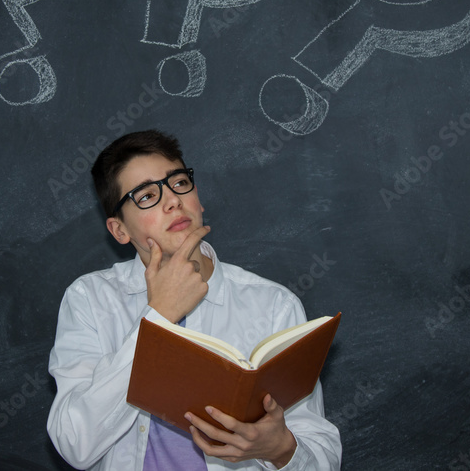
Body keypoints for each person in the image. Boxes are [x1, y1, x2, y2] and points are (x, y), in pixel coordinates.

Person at [47, 129, 341, 470]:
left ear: (197, 197)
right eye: (146, 196)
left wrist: (281, 450)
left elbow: (323, 458)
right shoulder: (90, 299)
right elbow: (75, 444)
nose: (172, 200)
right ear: (119, 230)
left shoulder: (274, 304)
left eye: (179, 183)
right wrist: (158, 317)